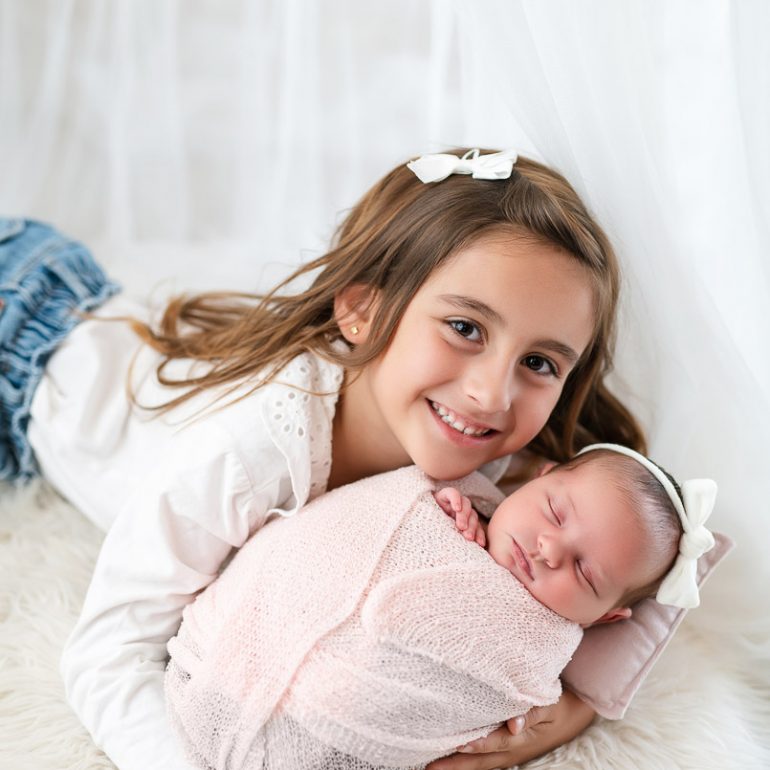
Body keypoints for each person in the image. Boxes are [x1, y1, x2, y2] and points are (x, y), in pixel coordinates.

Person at [0, 147, 649, 770]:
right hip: (21, 324)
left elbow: (670, 546)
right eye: (465, 328)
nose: (492, 394)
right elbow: (104, 656)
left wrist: (581, 705)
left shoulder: (522, 470)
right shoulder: (247, 454)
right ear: (362, 309)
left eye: (538, 362)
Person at [163, 444, 716, 769]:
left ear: (603, 618)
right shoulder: (453, 497)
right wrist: (453, 512)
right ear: (540, 476)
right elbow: (345, 534)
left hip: (327, 733)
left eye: (584, 572)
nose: (549, 549)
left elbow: (510, 707)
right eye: (554, 512)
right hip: (222, 661)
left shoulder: (542, 644)